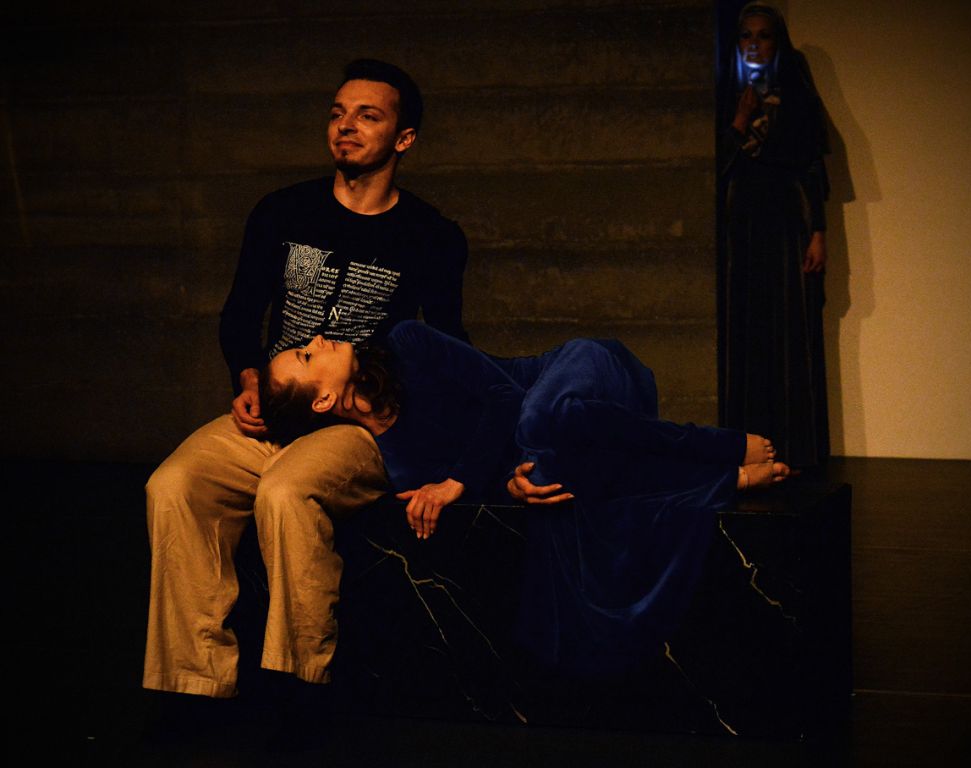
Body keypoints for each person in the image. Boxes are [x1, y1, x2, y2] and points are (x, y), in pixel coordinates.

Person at [143, 59, 470, 701]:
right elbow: (240, 315)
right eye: (338, 113)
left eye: (368, 116)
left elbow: (448, 349)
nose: (346, 126)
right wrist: (248, 381)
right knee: (173, 485)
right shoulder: (282, 211)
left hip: (356, 422)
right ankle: (191, 683)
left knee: (287, 490)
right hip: (274, 410)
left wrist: (438, 451)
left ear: (404, 138)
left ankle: (298, 684)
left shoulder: (431, 236)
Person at [259, 320, 791, 677]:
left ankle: (716, 449)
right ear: (323, 401)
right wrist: (511, 487)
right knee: (547, 477)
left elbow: (504, 398)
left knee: (538, 421)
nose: (319, 339)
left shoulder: (406, 343)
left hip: (580, 374)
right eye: (307, 354)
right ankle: (718, 480)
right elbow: (500, 478)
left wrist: (457, 482)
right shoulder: (397, 463)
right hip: (576, 443)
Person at [718, 2, 830, 468]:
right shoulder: (725, 93)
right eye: (746, 35)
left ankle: (792, 449)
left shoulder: (794, 93)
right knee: (745, 333)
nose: (753, 44)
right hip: (739, 230)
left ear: (776, 42)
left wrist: (817, 232)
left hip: (785, 229)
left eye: (763, 35)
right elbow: (713, 169)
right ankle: (746, 448)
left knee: (787, 333)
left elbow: (811, 166)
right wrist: (740, 119)